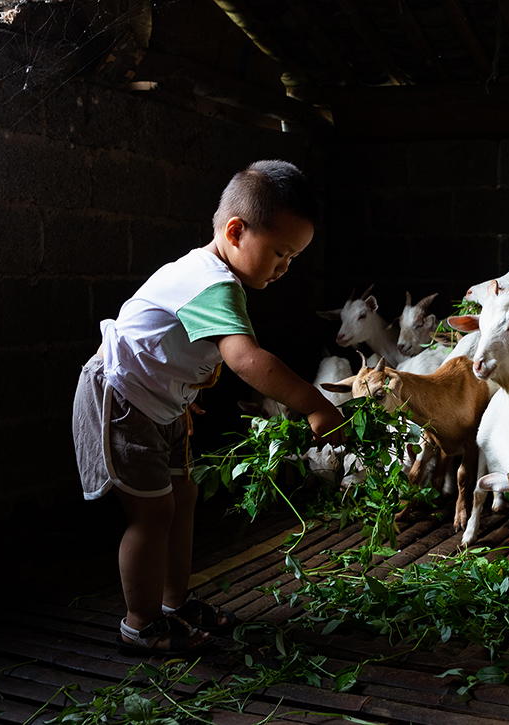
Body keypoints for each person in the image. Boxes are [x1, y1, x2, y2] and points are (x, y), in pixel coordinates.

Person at [72, 160, 346, 657]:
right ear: (236, 231)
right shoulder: (211, 282)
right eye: (281, 252)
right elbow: (245, 359)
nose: (285, 267)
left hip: (161, 403)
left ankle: (175, 604)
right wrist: (314, 403)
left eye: (294, 257)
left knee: (183, 496)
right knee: (152, 514)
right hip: (122, 398)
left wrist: (181, 394)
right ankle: (141, 625)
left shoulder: (215, 277)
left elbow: (174, 345)